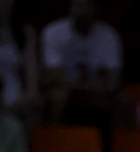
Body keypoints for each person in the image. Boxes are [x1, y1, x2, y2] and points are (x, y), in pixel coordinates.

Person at [40, 0, 130, 129]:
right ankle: (53, 142)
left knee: (123, 101)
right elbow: (55, 76)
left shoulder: (109, 35)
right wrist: (86, 87)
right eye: (77, 5)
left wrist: (103, 87)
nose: (81, 11)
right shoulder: (53, 31)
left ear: (95, 8)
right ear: (69, 6)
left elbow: (114, 79)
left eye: (86, 6)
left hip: (98, 93)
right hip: (68, 90)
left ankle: (121, 147)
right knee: (58, 96)